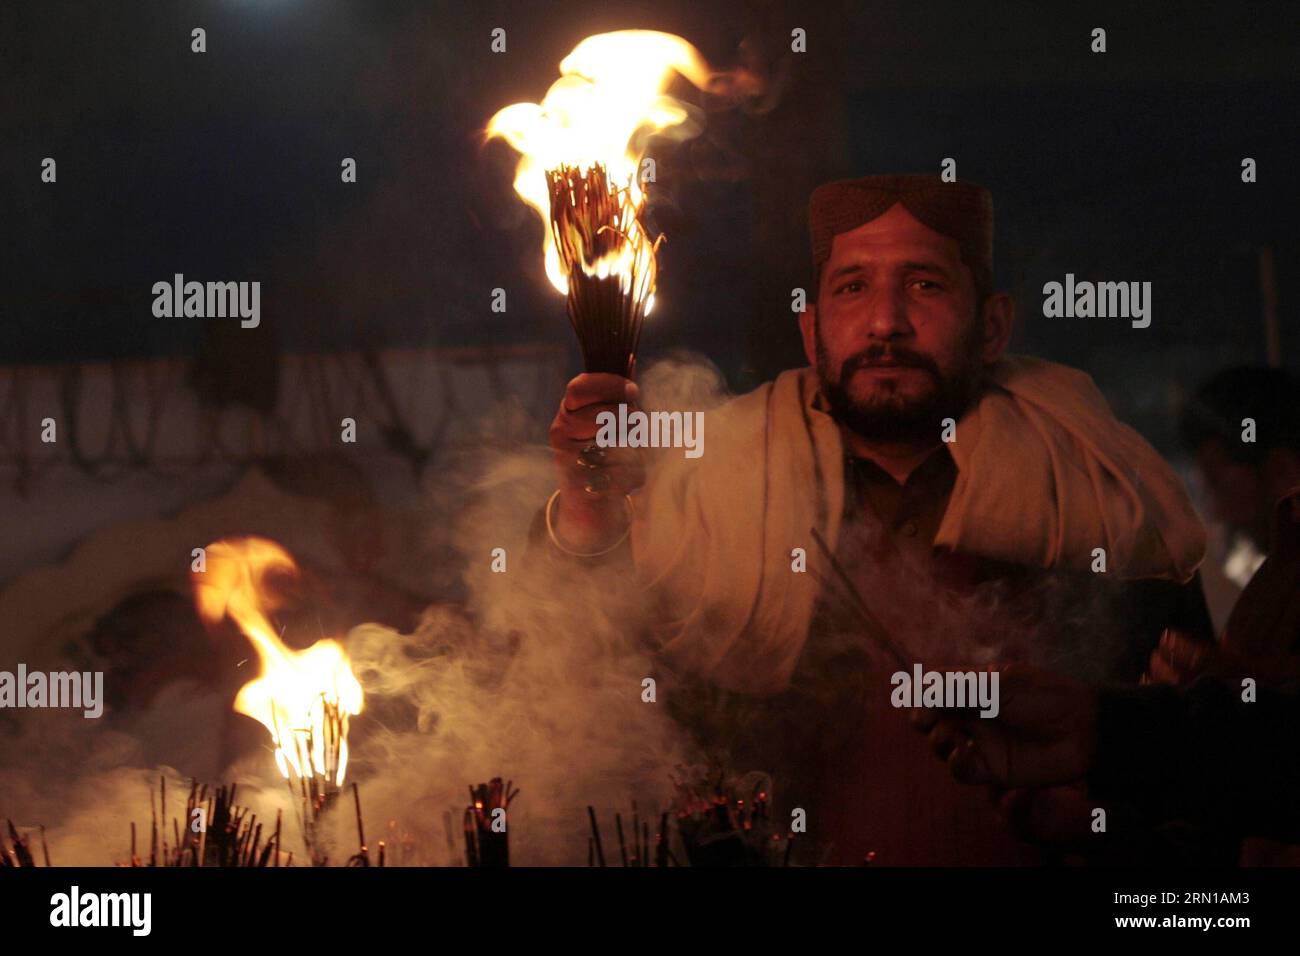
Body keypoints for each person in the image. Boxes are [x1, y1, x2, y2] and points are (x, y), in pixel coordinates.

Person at [540, 174, 1213, 864]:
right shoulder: (709, 490)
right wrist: (592, 504)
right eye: (852, 287)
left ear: (992, 325)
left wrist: (1111, 821)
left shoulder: (1099, 492)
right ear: (811, 329)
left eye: (924, 284)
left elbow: (1211, 772)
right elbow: (593, 674)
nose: (886, 321)